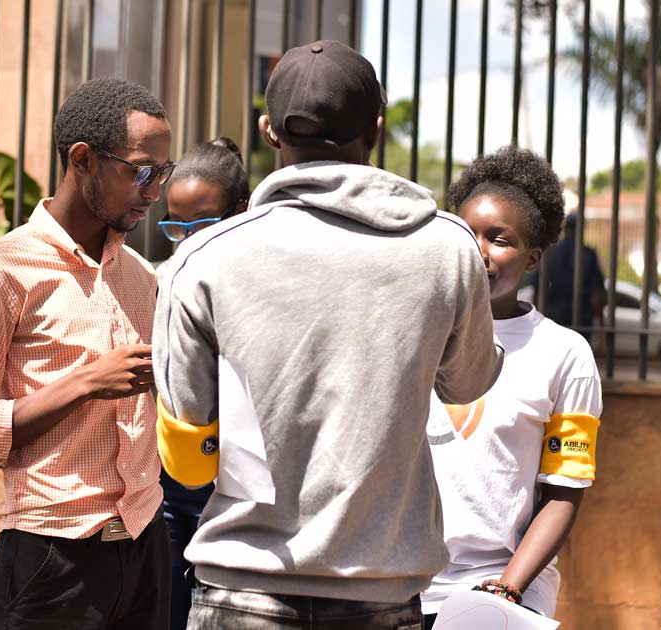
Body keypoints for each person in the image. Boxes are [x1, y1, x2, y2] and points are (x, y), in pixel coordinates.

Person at [153, 40, 504, 630]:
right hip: (382, 590)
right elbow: (467, 386)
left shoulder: (203, 260)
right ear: (375, 128)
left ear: (270, 132)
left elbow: (187, 464)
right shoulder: (447, 249)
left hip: (242, 589)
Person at [0, 78, 174, 630]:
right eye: (140, 170)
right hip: (51, 561)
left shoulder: (141, 278)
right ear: (83, 159)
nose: (153, 190)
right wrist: (85, 383)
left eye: (161, 172)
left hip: (146, 547)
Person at [420, 147, 602, 628]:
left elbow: (563, 493)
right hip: (400, 585)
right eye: (467, 234)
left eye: (499, 240)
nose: (479, 251)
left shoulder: (564, 355)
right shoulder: (413, 333)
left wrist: (506, 589)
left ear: (533, 257)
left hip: (501, 591)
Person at [155, 136, 248, 630]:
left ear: (242, 211)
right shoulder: (163, 281)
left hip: (243, 490)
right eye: (176, 227)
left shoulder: (266, 284)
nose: (190, 241)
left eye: (204, 224)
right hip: (174, 490)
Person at [535, 213, 606, 337]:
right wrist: (601, 327)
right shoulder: (588, 254)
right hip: (581, 320)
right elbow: (596, 295)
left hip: (553, 320)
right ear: (582, 229)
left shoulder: (550, 254)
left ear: (565, 229)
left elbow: (537, 289)